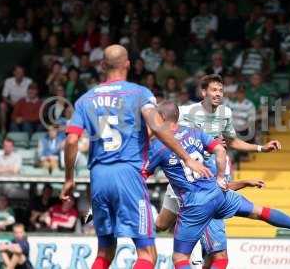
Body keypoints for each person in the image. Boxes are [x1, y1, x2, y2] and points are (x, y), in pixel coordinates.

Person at [60, 44, 210, 269]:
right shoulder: (139, 94)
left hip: (99, 177)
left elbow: (71, 141)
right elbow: (158, 128)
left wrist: (69, 179)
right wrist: (186, 158)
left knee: (104, 250)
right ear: (128, 64)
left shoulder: (85, 99)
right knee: (147, 253)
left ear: (102, 65)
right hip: (128, 174)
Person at [148, 101, 290, 269]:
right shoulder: (195, 132)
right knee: (259, 212)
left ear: (161, 117)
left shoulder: (157, 146)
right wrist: (223, 178)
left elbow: (141, 174)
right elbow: (221, 149)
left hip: (195, 203)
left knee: (182, 257)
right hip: (217, 193)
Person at [157, 75, 282, 268]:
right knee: (161, 225)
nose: (218, 94)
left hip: (208, 180)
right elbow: (164, 122)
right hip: (184, 177)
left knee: (215, 249)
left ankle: (195, 244)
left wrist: (260, 148)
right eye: (214, 90)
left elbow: (232, 141)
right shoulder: (186, 111)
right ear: (203, 92)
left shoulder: (225, 113)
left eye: (221, 90)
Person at [0, 65, 32, 133]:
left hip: (24, 104)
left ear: (24, 73)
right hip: (12, 104)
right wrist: (10, 102)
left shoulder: (29, 81)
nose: (20, 74)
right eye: (18, 72)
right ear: (14, 73)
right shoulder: (8, 81)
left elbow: (32, 96)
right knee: (2, 106)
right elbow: (4, 97)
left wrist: (20, 104)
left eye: (21, 72)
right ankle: (3, 129)